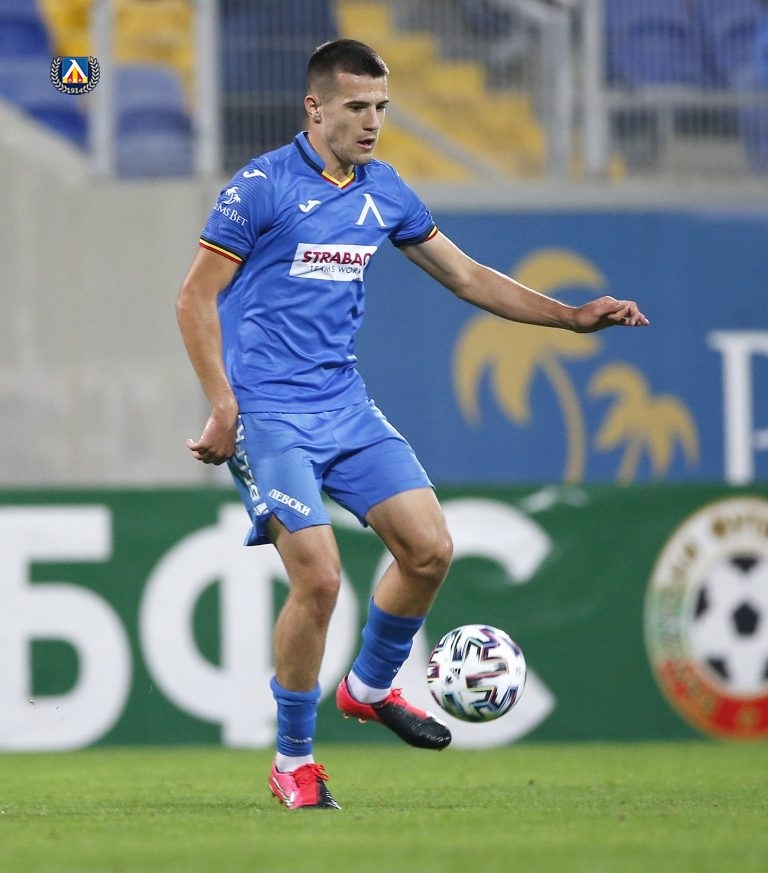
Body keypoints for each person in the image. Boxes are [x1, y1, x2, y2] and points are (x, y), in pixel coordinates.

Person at [175, 38, 649, 811]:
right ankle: (294, 760)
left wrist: (569, 317)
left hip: (345, 405)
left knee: (430, 549)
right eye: (357, 107)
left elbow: (466, 276)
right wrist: (224, 404)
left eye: (382, 108)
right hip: (268, 416)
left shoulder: (386, 190)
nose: (372, 122)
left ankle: (368, 687)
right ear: (315, 107)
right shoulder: (260, 187)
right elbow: (194, 298)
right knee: (320, 578)